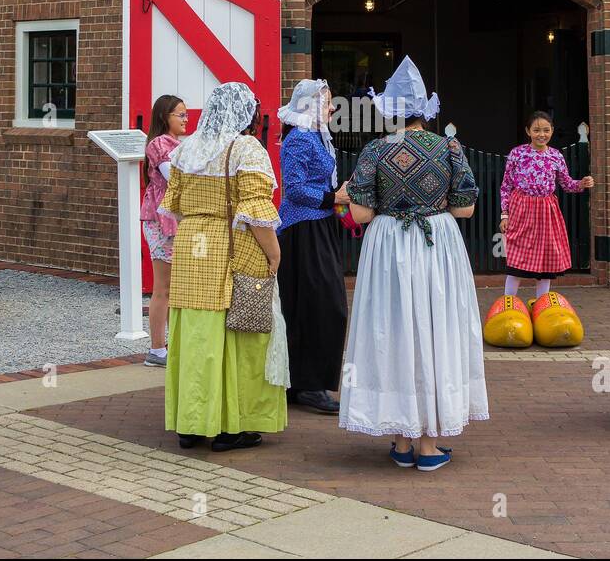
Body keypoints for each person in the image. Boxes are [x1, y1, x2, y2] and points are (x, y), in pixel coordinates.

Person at [339, 56, 488, 471]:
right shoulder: (449, 146)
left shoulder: (374, 150)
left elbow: (363, 215)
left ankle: (402, 440)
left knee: (394, 330)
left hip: (388, 244)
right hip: (436, 243)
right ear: (425, 108)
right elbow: (466, 210)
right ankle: (428, 444)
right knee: (436, 328)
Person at [159, 82, 287, 451]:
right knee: (238, 332)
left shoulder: (189, 147)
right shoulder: (244, 147)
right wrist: (274, 254)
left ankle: (193, 423)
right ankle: (233, 425)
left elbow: (175, 202)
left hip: (190, 243)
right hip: (231, 244)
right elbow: (257, 211)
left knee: (195, 332)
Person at [277, 79, 351, 415]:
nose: (332, 108)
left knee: (317, 305)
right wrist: (333, 197)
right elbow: (293, 188)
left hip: (319, 224)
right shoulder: (299, 140)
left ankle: (303, 381)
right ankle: (307, 384)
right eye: (327, 102)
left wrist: (337, 204)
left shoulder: (315, 137)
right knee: (321, 306)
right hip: (302, 229)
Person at [499, 111, 595, 300]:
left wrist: (581, 183)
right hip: (521, 209)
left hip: (547, 211)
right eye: (536, 130)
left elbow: (567, 184)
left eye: (546, 130)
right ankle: (507, 304)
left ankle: (542, 307)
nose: (541, 134)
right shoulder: (517, 154)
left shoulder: (556, 156)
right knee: (517, 259)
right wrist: (505, 214)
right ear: (528, 131)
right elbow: (506, 185)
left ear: (551, 131)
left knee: (545, 260)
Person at [140, 94, 188, 367]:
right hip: (161, 222)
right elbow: (176, 179)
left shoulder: (176, 144)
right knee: (163, 287)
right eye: (179, 114)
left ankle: (170, 343)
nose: (185, 119)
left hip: (173, 221)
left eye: (185, 114)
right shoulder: (160, 144)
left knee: (173, 287)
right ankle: (157, 349)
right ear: (164, 117)